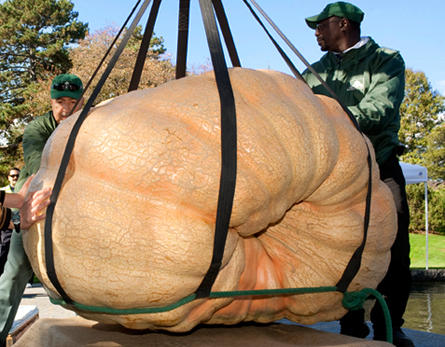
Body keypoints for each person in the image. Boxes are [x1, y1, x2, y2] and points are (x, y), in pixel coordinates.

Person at [302, 2, 413, 347]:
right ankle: (351, 324)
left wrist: (326, 116)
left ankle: (389, 326)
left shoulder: (386, 60)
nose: (316, 33)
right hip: (335, 173)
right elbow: (294, 110)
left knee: (395, 249)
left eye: (321, 26)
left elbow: (378, 110)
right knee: (338, 245)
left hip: (379, 165)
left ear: (344, 24)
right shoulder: (314, 71)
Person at [0, 74, 84, 346]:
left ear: (82, 101)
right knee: (12, 278)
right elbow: (39, 164)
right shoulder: (38, 128)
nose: (66, 108)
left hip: (78, 215)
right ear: (51, 101)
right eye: (60, 101)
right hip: (34, 214)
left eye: (73, 101)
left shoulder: (92, 124)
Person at [0, 168, 21, 275]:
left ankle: (29, 280)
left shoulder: (24, 189)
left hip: (21, 224)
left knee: (24, 252)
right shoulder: (2, 190)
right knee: (4, 251)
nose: (15, 177)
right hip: (6, 226)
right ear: (8, 178)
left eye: (17, 175)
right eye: (13, 176)